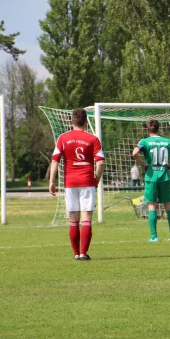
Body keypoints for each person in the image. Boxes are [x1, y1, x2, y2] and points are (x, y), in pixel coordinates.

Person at [49, 108, 105, 261]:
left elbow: (55, 160)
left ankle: (75, 254)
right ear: (86, 122)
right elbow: (100, 163)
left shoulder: (62, 138)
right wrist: (96, 180)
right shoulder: (93, 139)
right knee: (86, 218)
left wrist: (52, 181)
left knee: (73, 219)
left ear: (71, 121)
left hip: (70, 182)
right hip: (87, 181)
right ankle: (83, 253)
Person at [132, 120, 170, 242]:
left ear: (147, 130)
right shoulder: (167, 142)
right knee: (168, 204)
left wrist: (142, 165)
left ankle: (154, 236)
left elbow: (135, 153)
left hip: (151, 176)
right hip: (165, 177)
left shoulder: (144, 141)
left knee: (152, 205)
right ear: (158, 129)